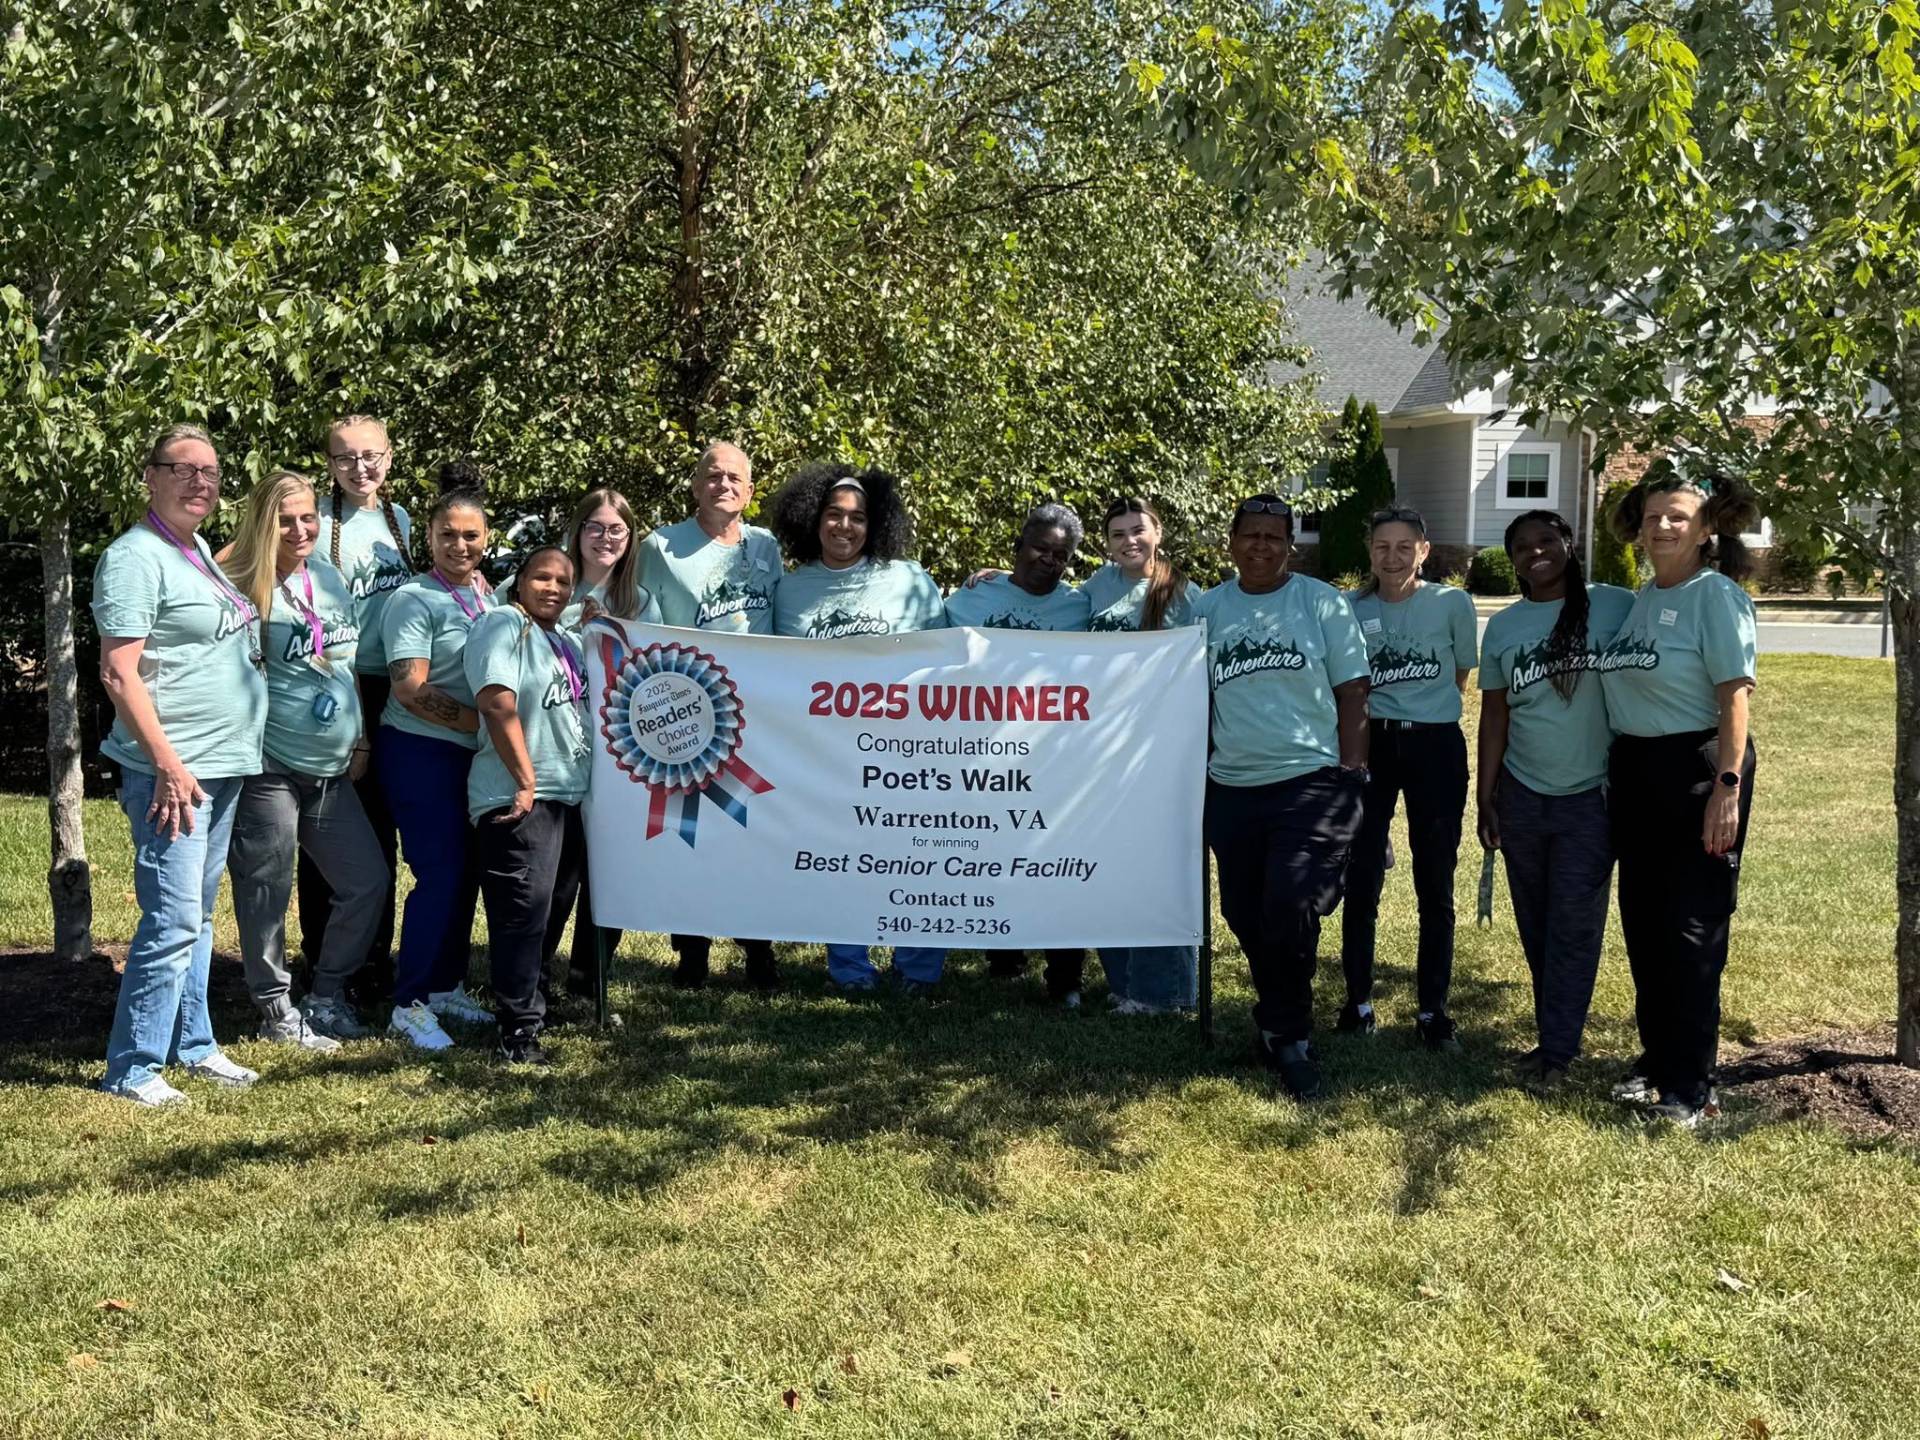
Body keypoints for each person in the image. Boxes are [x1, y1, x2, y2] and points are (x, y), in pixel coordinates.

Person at [93, 424, 268, 1105]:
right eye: (184, 469)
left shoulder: (194, 550)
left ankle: (192, 1045)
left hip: (218, 766)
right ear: (151, 476)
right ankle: (133, 1068)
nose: (202, 482)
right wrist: (166, 762)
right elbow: (117, 671)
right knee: (170, 920)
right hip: (173, 771)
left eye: (212, 472)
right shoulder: (135, 557)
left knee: (195, 915)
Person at [1194, 494, 1370, 1099]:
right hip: (1232, 785)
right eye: (1252, 535)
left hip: (1310, 781)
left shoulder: (1321, 602)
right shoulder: (1208, 608)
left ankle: (1290, 1036)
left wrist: (1351, 773)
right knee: (1243, 913)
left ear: (1289, 545)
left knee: (1291, 903)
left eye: (1274, 536)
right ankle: (1275, 1015)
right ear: (1233, 541)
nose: (1262, 546)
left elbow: (1353, 691)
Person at [1599, 472, 1760, 1128]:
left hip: (1699, 767)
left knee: (1692, 929)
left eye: (1678, 517)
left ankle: (1692, 1087)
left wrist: (1727, 787)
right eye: (1653, 517)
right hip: (1636, 771)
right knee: (1644, 921)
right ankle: (1658, 1061)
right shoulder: (1642, 599)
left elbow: (1735, 699)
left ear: (1706, 528)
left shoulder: (1714, 597)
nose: (1663, 527)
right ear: (1636, 528)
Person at [223, 471, 391, 1050]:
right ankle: (274, 1010)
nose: (299, 530)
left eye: (308, 518)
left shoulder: (326, 574)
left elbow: (342, 665)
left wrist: (361, 739)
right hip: (271, 765)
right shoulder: (243, 579)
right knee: (265, 888)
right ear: (262, 521)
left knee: (367, 880)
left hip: (331, 769)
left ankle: (325, 995)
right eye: (285, 519)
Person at [771, 461, 949, 992]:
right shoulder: (792, 589)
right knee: (841, 859)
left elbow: (943, 659)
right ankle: (850, 970)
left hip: (906, 749)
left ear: (876, 525)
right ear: (814, 519)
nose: (844, 527)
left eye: (857, 518)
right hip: (827, 753)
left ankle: (918, 968)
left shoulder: (909, 579)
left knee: (918, 856)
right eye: (833, 515)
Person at [1476, 511, 1634, 1090]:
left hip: (1591, 797)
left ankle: (1559, 1055)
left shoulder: (1617, 606)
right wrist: (1485, 794)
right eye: (1522, 547)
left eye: (1546, 541)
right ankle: (1553, 1037)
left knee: (1573, 925)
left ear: (1570, 543)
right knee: (1536, 923)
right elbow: (1494, 714)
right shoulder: (1504, 627)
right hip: (1522, 792)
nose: (1535, 553)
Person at [635, 442, 784, 991]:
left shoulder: (766, 546)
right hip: (689, 709)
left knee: (754, 833)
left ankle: (758, 951)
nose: (724, 485)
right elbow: (636, 614)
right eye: (712, 475)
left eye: (735, 477)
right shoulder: (660, 545)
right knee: (689, 834)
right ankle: (691, 952)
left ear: (750, 489)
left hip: (761, 711)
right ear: (695, 485)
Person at [1340, 507, 1479, 1049]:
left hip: (1435, 744)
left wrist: (1422, 713)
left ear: (1424, 550)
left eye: (1404, 547)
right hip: (1372, 745)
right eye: (1381, 546)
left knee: (1435, 880)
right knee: (1362, 875)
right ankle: (1357, 1001)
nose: (1392, 557)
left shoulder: (1451, 604)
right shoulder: (1349, 608)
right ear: (1369, 551)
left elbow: (1460, 676)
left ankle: (1432, 1011)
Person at [947, 502, 1093, 1006]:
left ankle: (1065, 975)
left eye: (1061, 554)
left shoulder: (1081, 607)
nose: (1049, 560)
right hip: (980, 752)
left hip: (1054, 756)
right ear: (1017, 548)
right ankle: (1002, 950)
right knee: (991, 853)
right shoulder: (969, 597)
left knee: (1057, 862)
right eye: (1040, 547)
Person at [379, 489, 497, 1050]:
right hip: (422, 750)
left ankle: (447, 986)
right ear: (428, 538)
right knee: (441, 872)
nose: (459, 544)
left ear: (486, 539)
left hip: (473, 755)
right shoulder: (413, 598)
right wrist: (484, 725)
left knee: (467, 872)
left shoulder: (487, 596)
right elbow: (409, 688)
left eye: (470, 534)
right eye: (447, 534)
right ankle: (410, 1002)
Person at [301, 414, 412, 1011]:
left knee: (383, 829)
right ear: (330, 464)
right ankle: (321, 959)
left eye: (370, 456)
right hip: (335, 686)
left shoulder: (403, 522)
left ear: (389, 458)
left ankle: (374, 958)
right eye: (345, 458)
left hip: (397, 687)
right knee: (331, 829)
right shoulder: (313, 521)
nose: (359, 468)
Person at [466, 546, 592, 1065]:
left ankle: (532, 1007)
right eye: (542, 577)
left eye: (564, 582)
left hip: (567, 795)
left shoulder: (565, 641)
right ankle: (517, 1031)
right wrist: (523, 780)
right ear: (518, 583)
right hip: (521, 797)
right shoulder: (502, 625)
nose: (554, 589)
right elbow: (497, 703)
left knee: (551, 912)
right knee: (522, 916)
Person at [1082, 497, 1203, 1015]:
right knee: (1109, 863)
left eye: (1138, 530)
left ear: (1158, 533)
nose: (1129, 540)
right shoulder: (1092, 590)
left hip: (1161, 748)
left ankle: (1168, 991)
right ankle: (1125, 982)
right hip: (1099, 750)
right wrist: (997, 577)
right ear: (1105, 544)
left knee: (1158, 866)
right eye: (1117, 534)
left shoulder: (1185, 595)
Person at [550, 487, 660, 1015]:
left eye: (617, 529)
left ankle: (588, 979)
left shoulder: (641, 603)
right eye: (595, 527)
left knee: (609, 872)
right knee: (557, 874)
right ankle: (534, 978)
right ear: (577, 531)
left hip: (618, 758)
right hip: (555, 750)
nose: (605, 538)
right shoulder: (544, 585)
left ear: (630, 537)